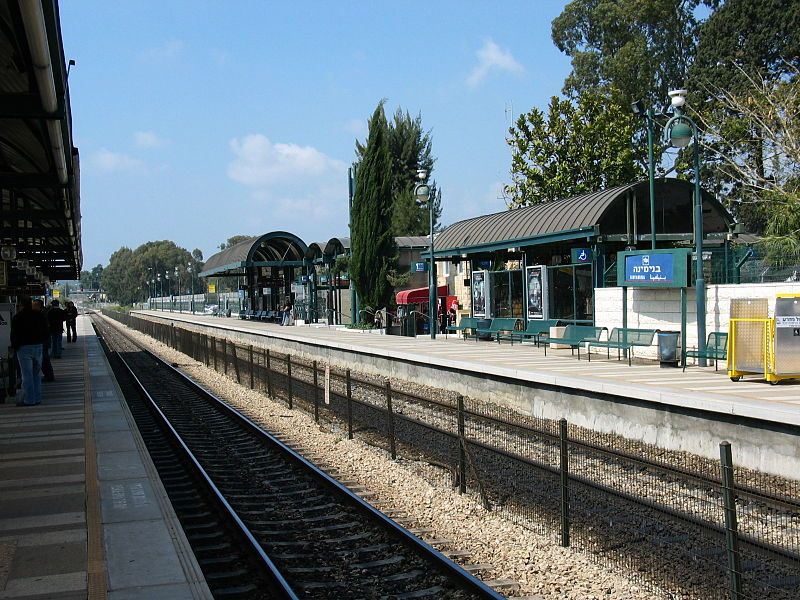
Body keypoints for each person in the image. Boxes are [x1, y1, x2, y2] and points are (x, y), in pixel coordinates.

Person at [10, 296, 48, 406]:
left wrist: (15, 347)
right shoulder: (39, 315)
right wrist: (42, 342)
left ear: (21, 305)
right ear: (30, 304)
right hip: (38, 346)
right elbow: (46, 330)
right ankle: (37, 398)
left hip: (24, 348)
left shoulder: (17, 317)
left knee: (26, 375)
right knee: (36, 374)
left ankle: (29, 400)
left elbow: (14, 334)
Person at [32, 300, 55, 381]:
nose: (32, 307)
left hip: (43, 340)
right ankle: (49, 375)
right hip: (44, 339)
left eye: (34, 305)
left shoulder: (42, 314)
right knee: (45, 358)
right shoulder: (43, 313)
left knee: (44, 359)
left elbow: (43, 328)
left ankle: (49, 376)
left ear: (39, 306)